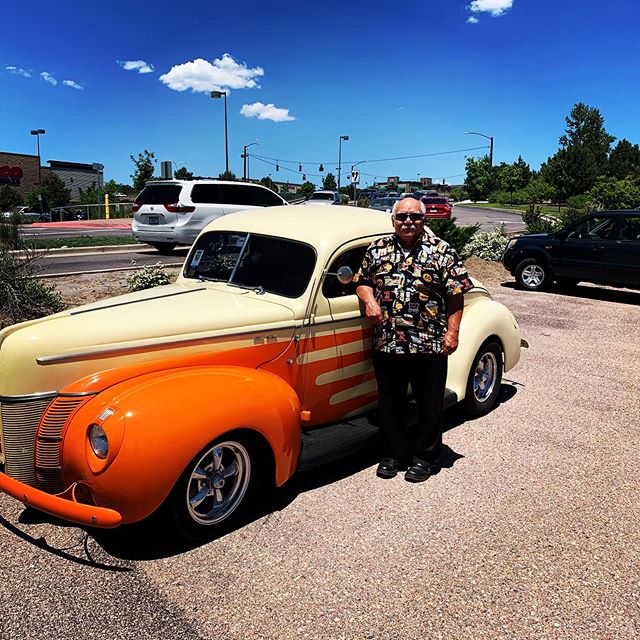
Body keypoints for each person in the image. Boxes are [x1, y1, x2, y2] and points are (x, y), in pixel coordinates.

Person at [354, 196, 473, 482]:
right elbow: (362, 281)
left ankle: (426, 456)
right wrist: (369, 300)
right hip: (388, 341)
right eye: (402, 217)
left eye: (414, 217)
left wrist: (452, 332)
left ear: (424, 220)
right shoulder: (378, 249)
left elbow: (456, 294)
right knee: (390, 402)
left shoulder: (441, 251)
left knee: (429, 403)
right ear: (393, 220)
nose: (408, 222)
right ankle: (394, 454)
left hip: (429, 342)